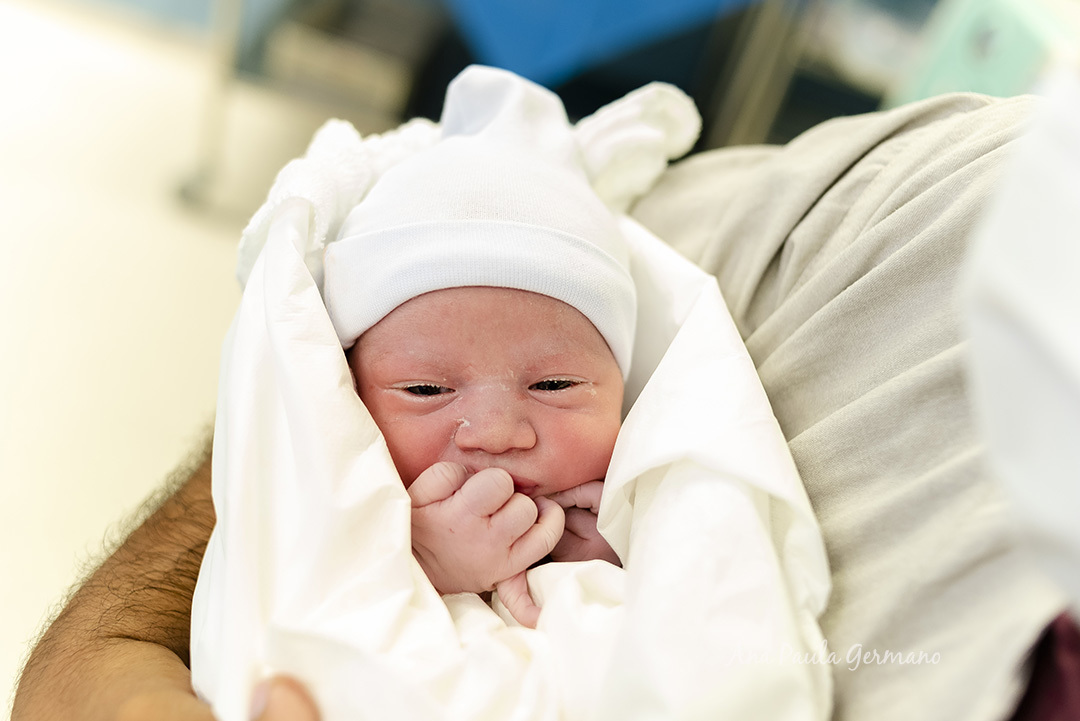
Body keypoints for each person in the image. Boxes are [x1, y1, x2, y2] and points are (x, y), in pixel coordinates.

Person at [12, 80, 1070, 721]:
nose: (499, 428)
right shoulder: (967, 206)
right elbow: (308, 571)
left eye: (559, 384)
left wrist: (608, 548)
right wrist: (421, 554)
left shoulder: (650, 473)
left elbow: (697, 604)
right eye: (424, 388)